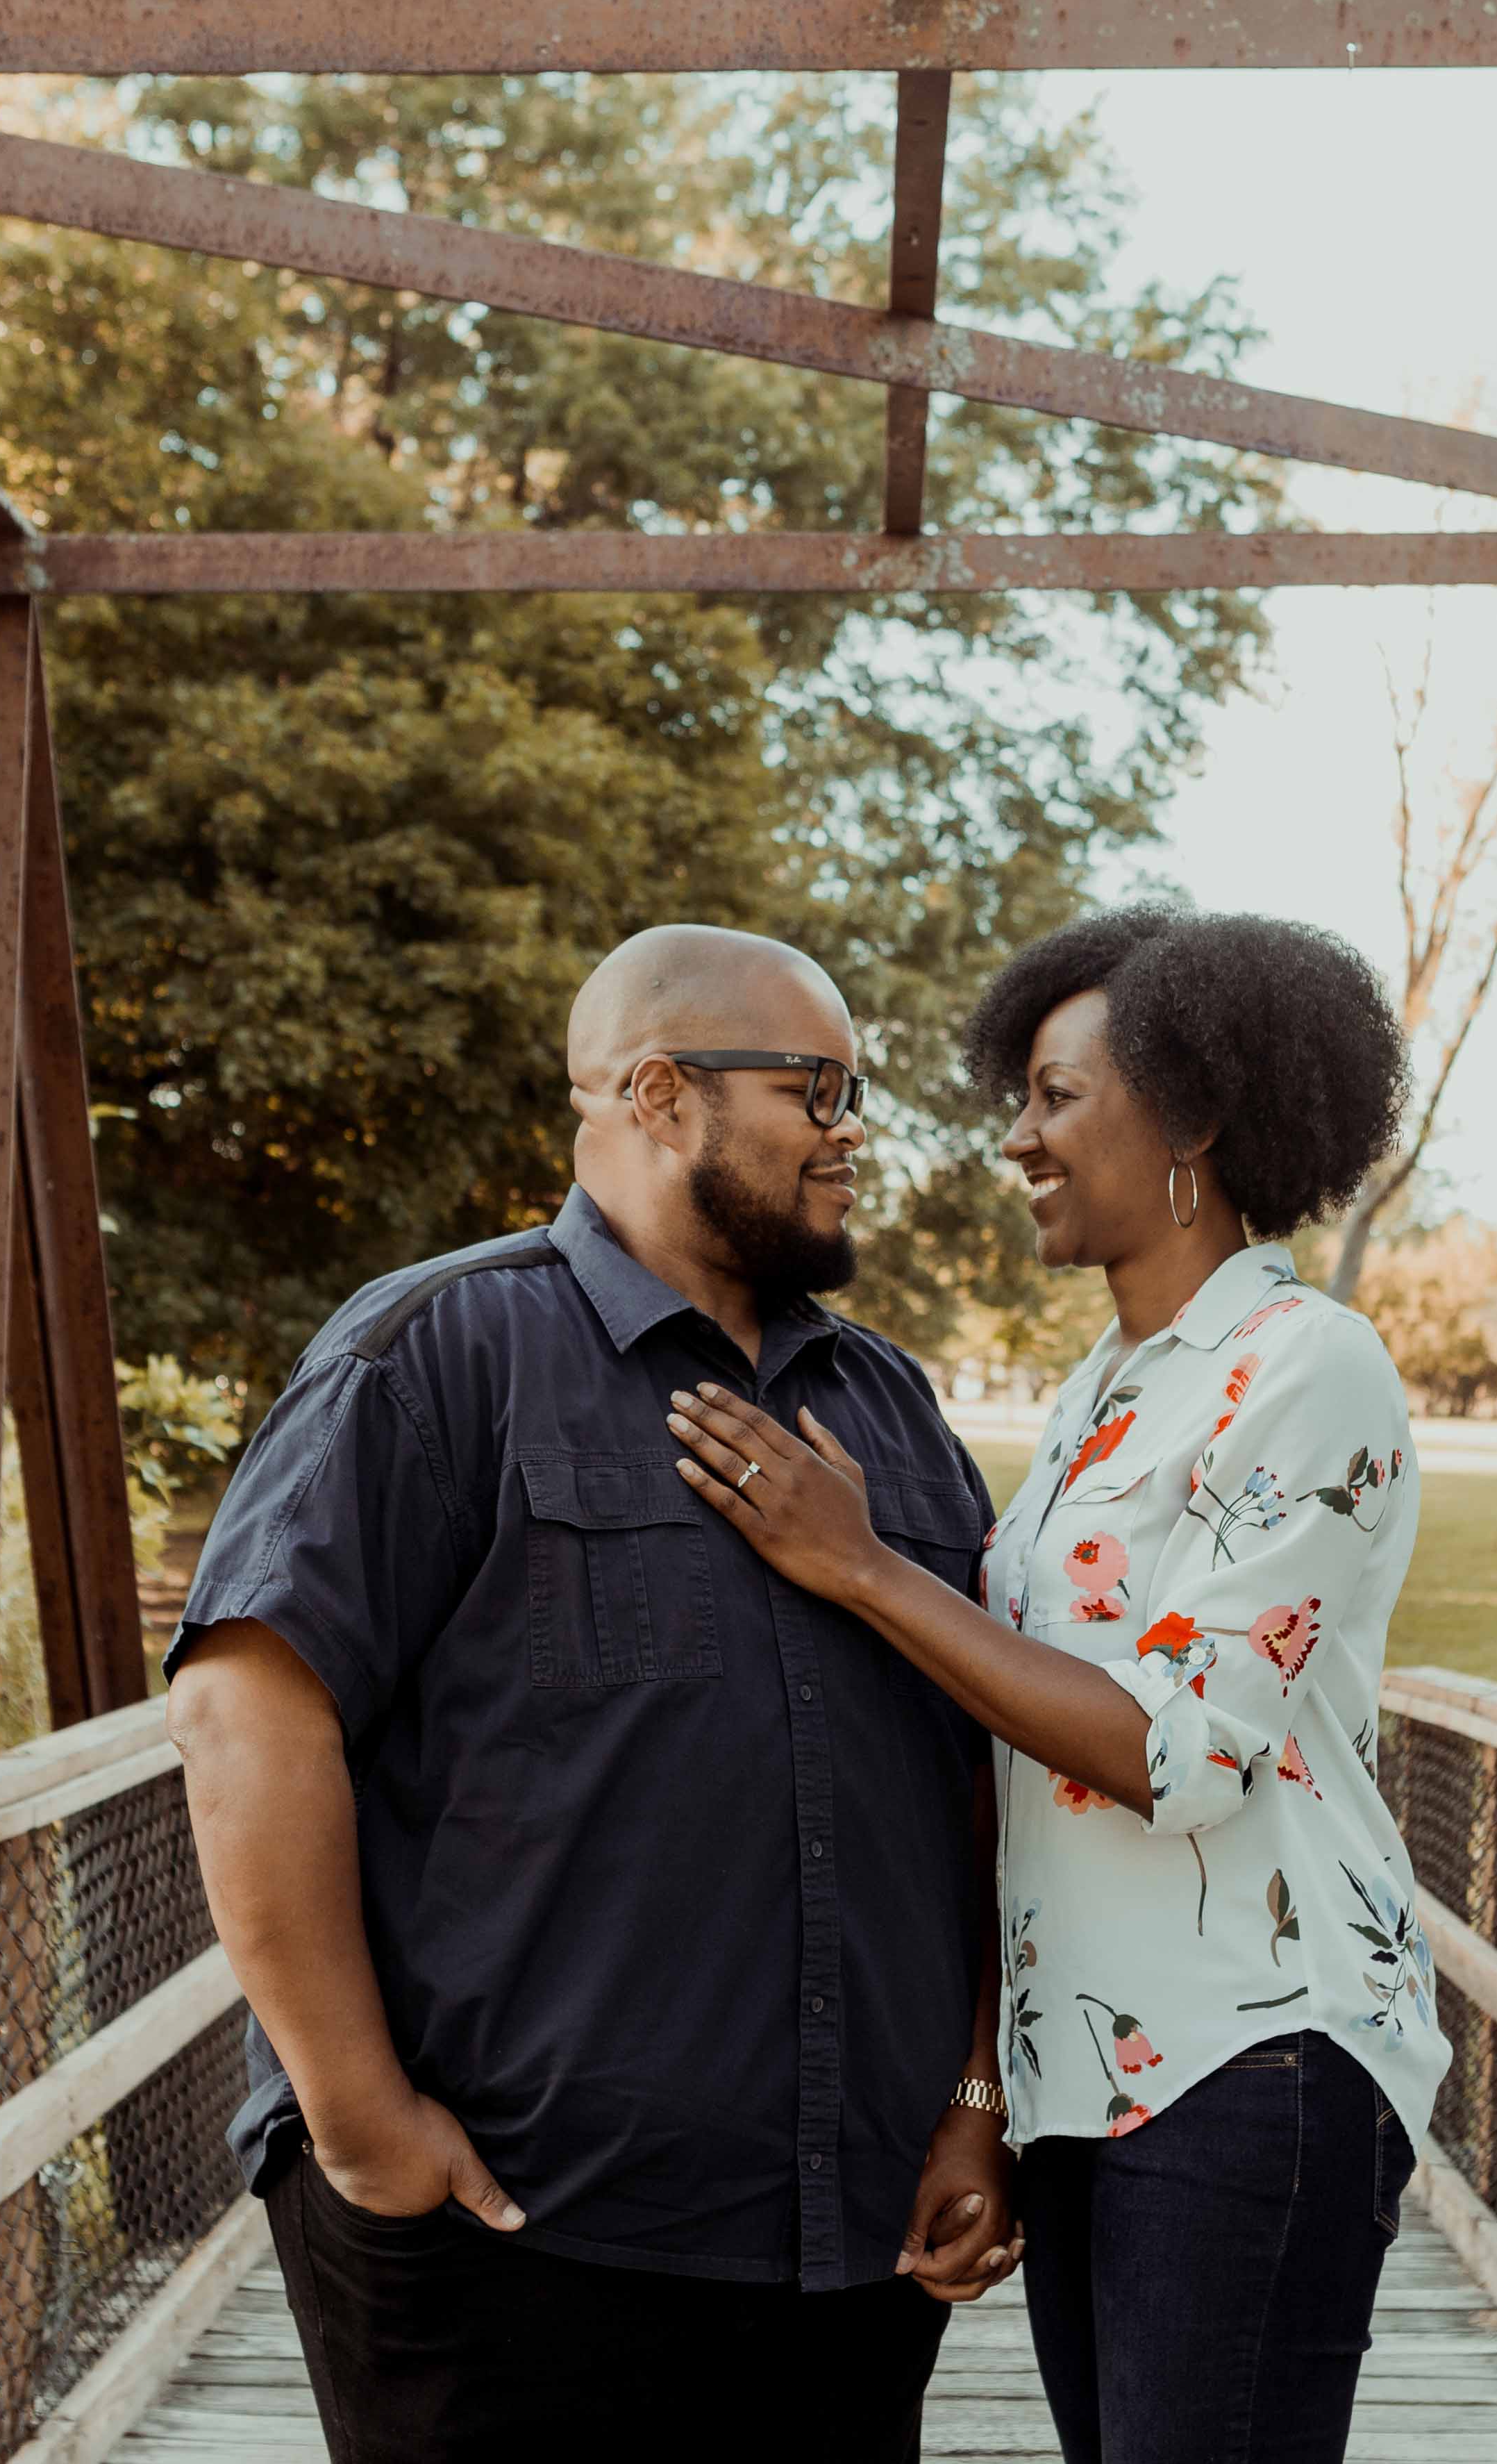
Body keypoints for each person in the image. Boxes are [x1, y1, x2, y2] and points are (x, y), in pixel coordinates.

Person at [164, 925, 1017, 2464]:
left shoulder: (887, 1404)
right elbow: (245, 1716)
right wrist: (359, 2120)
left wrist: (972, 2089)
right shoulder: (431, 1353)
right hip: (510, 2234)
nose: (851, 1131)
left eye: (855, 1090)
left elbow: (971, 1772)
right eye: (818, 1086)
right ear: (660, 1093)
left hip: (846, 2249)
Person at [665, 907, 1452, 2464]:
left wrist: (868, 1567)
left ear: (1197, 1117)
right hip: (1088, 2075)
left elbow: (1182, 1753)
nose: (1013, 1136)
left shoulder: (1308, 1363)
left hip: (1254, 2053)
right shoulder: (1104, 1390)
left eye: (1054, 1094)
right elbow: (1020, 1779)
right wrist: (984, 2088)